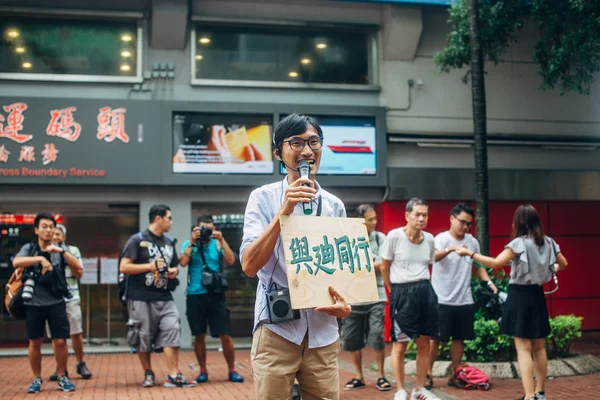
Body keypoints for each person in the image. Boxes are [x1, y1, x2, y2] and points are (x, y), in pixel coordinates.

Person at [240, 113, 351, 400]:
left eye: (314, 142)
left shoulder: (335, 206)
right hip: (277, 332)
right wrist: (283, 212)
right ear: (278, 152)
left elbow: (343, 277)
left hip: (324, 335)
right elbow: (249, 265)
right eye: (296, 143)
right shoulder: (262, 198)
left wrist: (343, 307)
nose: (307, 151)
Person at [455, 204, 568, 400]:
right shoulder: (549, 242)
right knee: (539, 347)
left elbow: (496, 263)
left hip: (519, 296)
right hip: (537, 295)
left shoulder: (519, 244)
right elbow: (563, 264)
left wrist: (470, 254)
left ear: (518, 222)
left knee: (523, 348)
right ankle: (540, 394)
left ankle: (529, 395)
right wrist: (546, 271)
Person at [119, 204, 196, 388]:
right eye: (169, 218)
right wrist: (149, 267)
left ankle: (173, 374)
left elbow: (176, 265)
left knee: (172, 330)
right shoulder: (137, 240)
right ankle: (148, 372)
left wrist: (172, 271)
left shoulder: (169, 242)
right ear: (158, 218)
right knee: (142, 337)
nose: (171, 222)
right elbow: (124, 266)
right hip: (140, 297)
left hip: (164, 296)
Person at [426, 203, 497, 389]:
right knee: (434, 339)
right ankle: (427, 374)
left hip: (464, 299)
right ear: (452, 218)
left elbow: (477, 266)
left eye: (469, 224)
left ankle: (456, 374)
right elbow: (432, 257)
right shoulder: (440, 239)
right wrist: (451, 249)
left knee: (459, 339)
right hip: (441, 299)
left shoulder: (472, 242)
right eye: (462, 222)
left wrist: (488, 282)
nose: (465, 226)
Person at [13, 213, 81, 393]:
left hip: (56, 301)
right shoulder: (30, 248)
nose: (48, 230)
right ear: (36, 230)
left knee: (60, 341)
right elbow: (16, 262)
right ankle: (36, 378)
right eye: (44, 226)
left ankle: (62, 376)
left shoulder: (59, 249)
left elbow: (77, 267)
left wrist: (62, 251)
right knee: (34, 342)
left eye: (51, 227)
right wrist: (40, 259)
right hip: (33, 302)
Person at [380, 198, 441, 400]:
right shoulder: (394, 236)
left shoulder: (430, 239)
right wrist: (392, 290)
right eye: (417, 214)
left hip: (425, 290)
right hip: (401, 292)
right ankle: (400, 389)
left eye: (425, 214)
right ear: (407, 215)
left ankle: (419, 389)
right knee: (400, 345)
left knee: (424, 343)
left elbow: (429, 265)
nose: (422, 218)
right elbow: (384, 267)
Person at [179, 215, 244, 383]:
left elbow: (231, 260)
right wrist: (192, 242)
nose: (206, 232)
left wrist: (222, 240)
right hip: (195, 294)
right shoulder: (190, 244)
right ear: (196, 229)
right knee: (198, 335)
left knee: (225, 334)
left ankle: (232, 370)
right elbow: (183, 263)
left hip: (215, 295)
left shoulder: (217, 243)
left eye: (209, 228)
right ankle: (202, 370)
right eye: (203, 229)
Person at [341, 204, 391, 391]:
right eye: (370, 219)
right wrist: (372, 264)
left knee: (377, 336)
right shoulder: (348, 240)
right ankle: (358, 376)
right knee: (353, 339)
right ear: (360, 220)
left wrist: (365, 264)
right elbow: (345, 266)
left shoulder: (380, 238)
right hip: (353, 297)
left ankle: (381, 376)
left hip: (377, 296)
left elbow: (385, 264)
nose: (374, 222)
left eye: (375, 218)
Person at [46, 224, 93, 381]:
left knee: (76, 332)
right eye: (53, 234)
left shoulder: (72, 250)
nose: (55, 237)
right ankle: (61, 368)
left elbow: (79, 273)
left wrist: (63, 255)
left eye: (58, 234)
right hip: (51, 299)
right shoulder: (44, 251)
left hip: (71, 297)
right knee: (56, 336)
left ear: (64, 237)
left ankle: (80, 363)